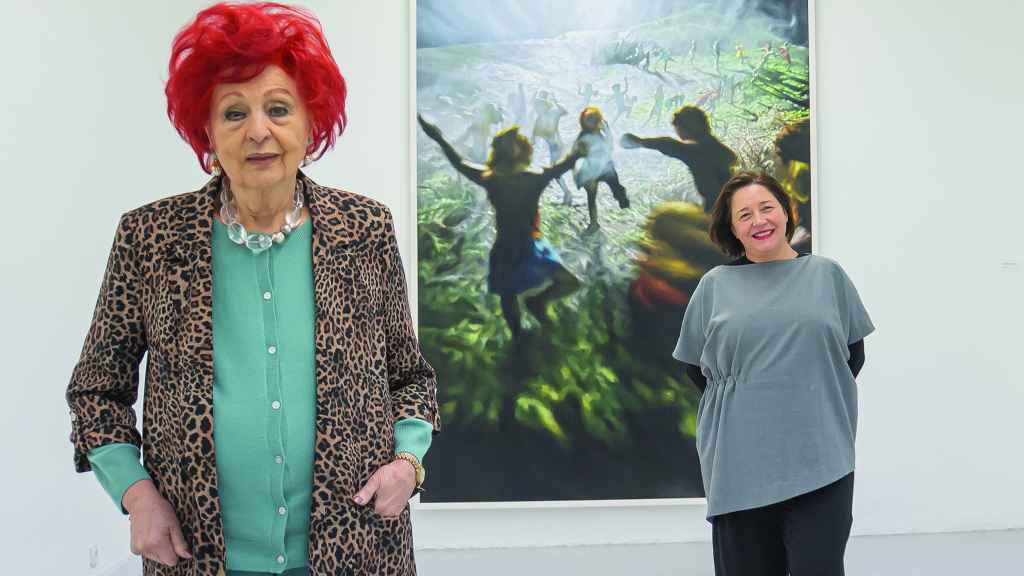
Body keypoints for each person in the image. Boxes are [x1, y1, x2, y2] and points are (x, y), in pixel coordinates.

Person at [65, 4, 439, 575]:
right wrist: (135, 493)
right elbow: (96, 392)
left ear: (311, 123)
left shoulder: (364, 230)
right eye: (234, 112)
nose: (258, 130)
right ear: (208, 131)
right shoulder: (150, 238)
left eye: (278, 108)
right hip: (201, 557)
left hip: (356, 552)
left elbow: (410, 378)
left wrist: (408, 464)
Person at [672, 172, 874, 576]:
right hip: (738, 462)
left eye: (766, 208)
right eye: (744, 214)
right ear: (732, 229)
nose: (758, 221)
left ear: (785, 211)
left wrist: (806, 392)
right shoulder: (714, 286)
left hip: (821, 458)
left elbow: (852, 356)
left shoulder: (827, 275)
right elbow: (695, 367)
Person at [418, 114, 582, 340]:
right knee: (508, 295)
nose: (511, 146)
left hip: (531, 244)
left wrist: (576, 155)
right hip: (507, 247)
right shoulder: (493, 178)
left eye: (513, 142)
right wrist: (437, 135)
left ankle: (536, 303)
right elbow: (459, 162)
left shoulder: (530, 177)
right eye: (507, 143)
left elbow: (561, 166)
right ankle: (519, 336)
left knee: (569, 283)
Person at [621, 105, 737, 213]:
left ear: (686, 128)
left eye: (677, 129)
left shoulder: (697, 150)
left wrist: (640, 142)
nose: (677, 133)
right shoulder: (718, 148)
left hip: (720, 209)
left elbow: (670, 145)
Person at [572, 107, 631, 231]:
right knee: (591, 198)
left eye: (594, 119)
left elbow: (610, 147)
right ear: (584, 121)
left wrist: (607, 130)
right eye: (588, 119)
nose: (591, 122)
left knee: (617, 188)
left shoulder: (602, 133)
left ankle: (624, 204)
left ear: (598, 119)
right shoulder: (583, 136)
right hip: (591, 171)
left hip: (606, 167)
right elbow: (575, 154)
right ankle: (594, 222)